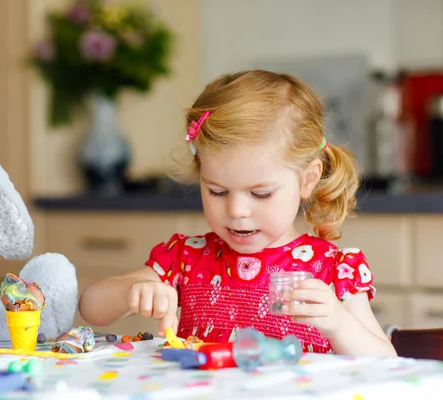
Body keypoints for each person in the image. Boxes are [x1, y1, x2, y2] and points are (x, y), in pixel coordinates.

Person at [78, 70, 397, 357]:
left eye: (261, 193)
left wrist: (340, 325)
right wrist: (131, 292)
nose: (237, 211)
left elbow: (387, 363)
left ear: (307, 179)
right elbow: (91, 307)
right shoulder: (186, 259)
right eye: (217, 191)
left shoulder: (332, 271)